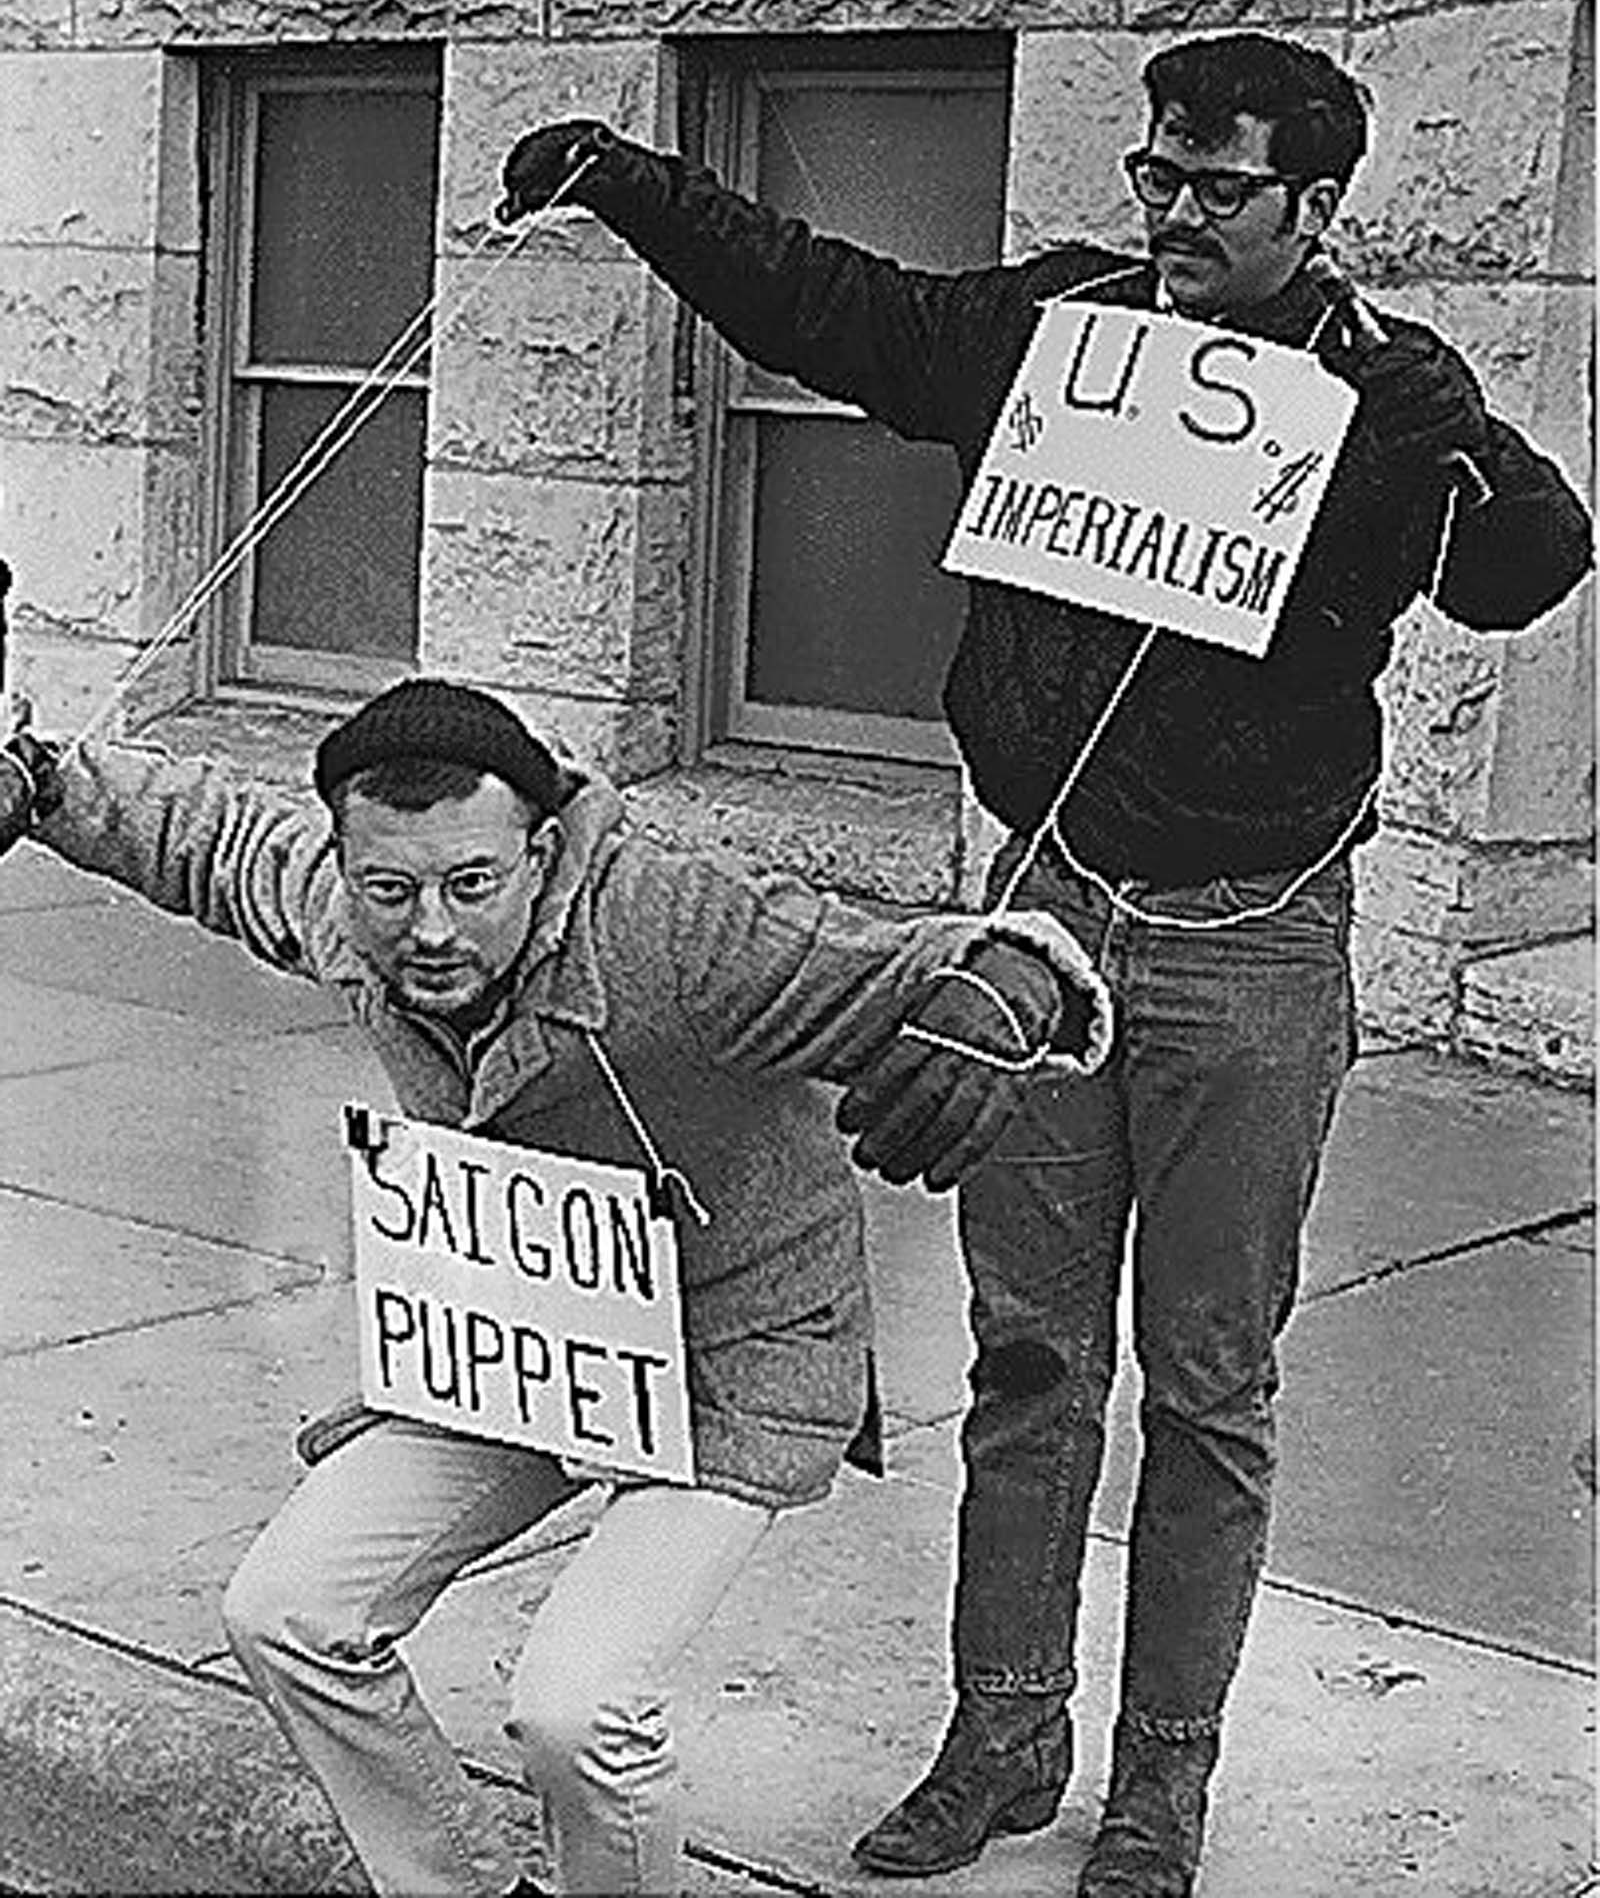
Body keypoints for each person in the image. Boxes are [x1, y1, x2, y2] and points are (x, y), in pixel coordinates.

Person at [496, 29, 1594, 1896]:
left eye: (1216, 188)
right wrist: (640, 185)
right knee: (1024, 1354)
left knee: (1211, 1380)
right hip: (1042, 912)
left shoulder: (1379, 393)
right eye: (1155, 175)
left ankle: (1163, 1782)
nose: (1169, 215)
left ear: (1316, 205)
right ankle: (1002, 1736)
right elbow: (843, 314)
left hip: (1252, 949)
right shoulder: (1066, 329)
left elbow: (1522, 566)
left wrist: (1458, 453)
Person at [0, 674, 1110, 1896]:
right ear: (349, 867)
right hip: (513, 1341)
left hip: (724, 1357)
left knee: (575, 1710)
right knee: (289, 1608)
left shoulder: (676, 928)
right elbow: (210, 838)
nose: (431, 928)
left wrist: (1007, 991)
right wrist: (46, 780)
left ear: (539, 852)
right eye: (392, 888)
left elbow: (911, 961)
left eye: (472, 885)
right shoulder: (346, 907)